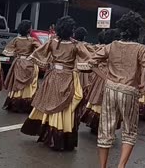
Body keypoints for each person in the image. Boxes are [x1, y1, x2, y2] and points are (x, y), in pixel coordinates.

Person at [87, 11, 145, 168]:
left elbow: (91, 62)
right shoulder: (142, 49)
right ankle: (121, 166)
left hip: (111, 88)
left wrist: (105, 77)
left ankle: (103, 166)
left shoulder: (112, 46)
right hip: (129, 90)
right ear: (137, 30)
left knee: (105, 129)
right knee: (129, 130)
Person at [21, 16, 92, 151]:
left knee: (50, 103)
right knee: (65, 107)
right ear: (71, 30)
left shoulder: (52, 42)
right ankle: (60, 136)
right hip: (68, 77)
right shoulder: (76, 45)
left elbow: (37, 54)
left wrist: (48, 64)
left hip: (53, 77)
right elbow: (90, 61)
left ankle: (48, 134)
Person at [81, 29, 121, 134]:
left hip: (102, 76)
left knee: (98, 99)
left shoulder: (106, 48)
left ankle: (98, 124)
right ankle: (102, 124)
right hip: (108, 76)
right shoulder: (110, 49)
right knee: (103, 100)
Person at [2, 20, 41, 113]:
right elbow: (41, 49)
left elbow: (7, 50)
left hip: (18, 62)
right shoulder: (32, 40)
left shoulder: (16, 40)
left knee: (17, 82)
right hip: (29, 63)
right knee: (30, 83)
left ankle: (15, 102)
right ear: (29, 29)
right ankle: (26, 103)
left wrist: (16, 54)